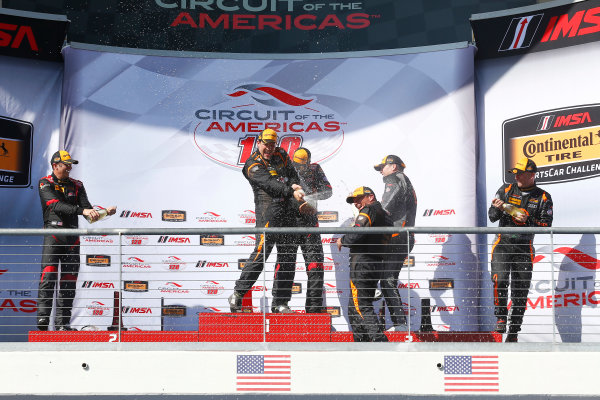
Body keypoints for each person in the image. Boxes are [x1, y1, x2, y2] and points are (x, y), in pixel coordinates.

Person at [37, 150, 117, 331]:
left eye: (70, 164)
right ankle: (43, 322)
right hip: (53, 235)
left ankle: (62, 324)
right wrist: (83, 211)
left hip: (72, 238)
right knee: (48, 277)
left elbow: (89, 213)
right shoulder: (45, 183)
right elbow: (55, 205)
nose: (70, 168)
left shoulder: (78, 185)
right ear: (55, 165)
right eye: (66, 164)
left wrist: (104, 212)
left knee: (68, 281)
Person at [229, 129, 306, 314]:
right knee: (261, 254)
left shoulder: (281, 153)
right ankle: (238, 294)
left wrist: (295, 184)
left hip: (287, 212)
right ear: (258, 142)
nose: (269, 148)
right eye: (266, 144)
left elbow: (292, 174)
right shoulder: (252, 164)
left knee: (288, 257)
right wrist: (290, 190)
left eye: (272, 145)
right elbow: (270, 184)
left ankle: (280, 303)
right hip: (267, 214)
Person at [489, 157, 553, 342]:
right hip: (503, 243)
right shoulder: (506, 189)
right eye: (515, 172)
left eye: (520, 173)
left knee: (521, 290)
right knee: (499, 280)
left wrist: (528, 221)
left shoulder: (543, 197)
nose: (516, 175)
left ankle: (514, 331)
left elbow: (546, 226)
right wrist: (499, 208)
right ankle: (501, 317)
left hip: (524, 247)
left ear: (532, 175)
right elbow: (492, 217)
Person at [336, 186, 391, 342]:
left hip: (362, 264)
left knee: (362, 306)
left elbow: (356, 234)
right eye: (354, 201)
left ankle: (380, 340)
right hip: (376, 264)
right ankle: (361, 342)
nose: (356, 203)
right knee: (354, 307)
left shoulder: (368, 210)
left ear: (370, 197)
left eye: (359, 199)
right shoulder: (386, 215)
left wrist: (343, 240)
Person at [374, 155, 417, 331]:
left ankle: (400, 324)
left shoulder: (395, 178)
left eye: (382, 167)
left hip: (396, 236)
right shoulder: (405, 180)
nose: (381, 172)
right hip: (402, 236)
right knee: (387, 280)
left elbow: (386, 206)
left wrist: (369, 215)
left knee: (387, 279)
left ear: (393, 167)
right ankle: (399, 323)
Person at [290, 147, 332, 313]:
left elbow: (328, 190)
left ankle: (314, 310)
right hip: (290, 224)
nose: (299, 167)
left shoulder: (315, 168)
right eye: (296, 164)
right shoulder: (286, 168)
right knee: (285, 265)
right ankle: (279, 306)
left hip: (310, 224)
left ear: (308, 162)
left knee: (315, 266)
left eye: (302, 164)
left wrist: (310, 198)